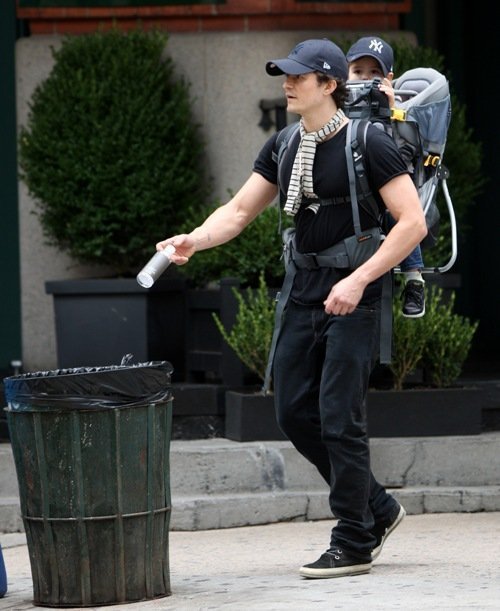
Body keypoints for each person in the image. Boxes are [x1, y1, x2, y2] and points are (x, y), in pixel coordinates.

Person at [156, 38, 427, 579]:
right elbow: (238, 210)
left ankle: (354, 538)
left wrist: (359, 280)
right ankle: (376, 506)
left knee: (339, 416)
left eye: (299, 76)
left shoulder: (368, 142)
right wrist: (194, 240)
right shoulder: (284, 144)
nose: (287, 84)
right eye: (285, 75)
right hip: (303, 287)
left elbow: (412, 223)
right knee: (291, 411)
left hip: (355, 287)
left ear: (329, 84)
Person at [346, 36, 426, 318]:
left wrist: (391, 111)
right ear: (345, 74)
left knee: (398, 212)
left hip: (385, 189)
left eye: (374, 73)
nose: (365, 79)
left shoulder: (399, 111)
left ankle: (414, 278)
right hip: (348, 189)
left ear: (389, 79)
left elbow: (408, 154)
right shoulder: (337, 109)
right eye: (358, 72)